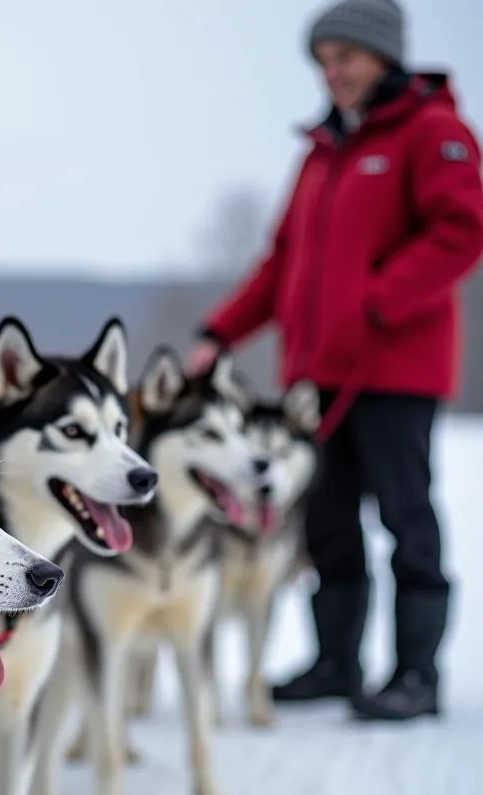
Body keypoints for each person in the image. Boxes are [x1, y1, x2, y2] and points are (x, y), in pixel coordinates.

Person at [188, 0, 483, 722]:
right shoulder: (322, 151)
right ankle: (336, 661)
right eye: (323, 60)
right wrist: (220, 333)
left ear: (382, 56)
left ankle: (417, 672)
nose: (333, 72)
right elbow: (281, 261)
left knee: (406, 517)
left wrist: (378, 301)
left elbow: (463, 229)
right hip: (315, 375)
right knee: (325, 520)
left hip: (396, 372)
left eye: (344, 57)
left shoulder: (432, 132)